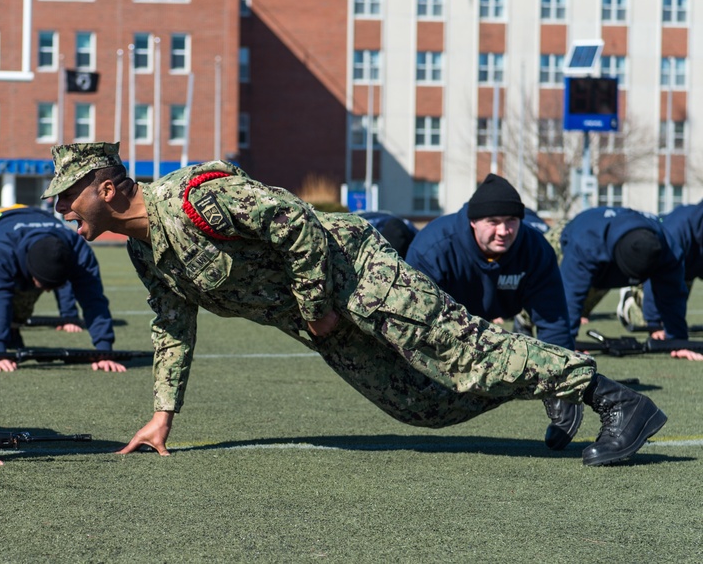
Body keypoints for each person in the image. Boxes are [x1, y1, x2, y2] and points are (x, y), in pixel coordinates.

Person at [44, 142, 667, 466]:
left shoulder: (192, 197)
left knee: (462, 354)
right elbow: (171, 326)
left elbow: (297, 222)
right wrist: (162, 415)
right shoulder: (146, 250)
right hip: (319, 320)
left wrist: (315, 304)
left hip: (353, 276)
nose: (62, 209)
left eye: (67, 196)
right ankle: (542, 379)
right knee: (421, 405)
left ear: (106, 188)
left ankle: (614, 400)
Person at [405, 174, 581, 450]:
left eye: (511, 221)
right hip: (443, 325)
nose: (504, 231)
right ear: (473, 221)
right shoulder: (432, 248)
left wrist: (564, 389)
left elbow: (554, 321)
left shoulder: (535, 249)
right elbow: (414, 323)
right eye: (493, 222)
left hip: (500, 313)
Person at [0, 204, 123, 373]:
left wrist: (104, 350)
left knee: (23, 302)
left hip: (36, 216)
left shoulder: (78, 250)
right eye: (43, 285)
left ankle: (11, 329)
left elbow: (93, 299)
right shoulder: (3, 253)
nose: (47, 292)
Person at [550, 207, 688, 343]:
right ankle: (527, 325)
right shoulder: (586, 243)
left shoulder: (668, 249)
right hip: (568, 235)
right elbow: (569, 297)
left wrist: (676, 340)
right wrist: (565, 345)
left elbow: (672, 294)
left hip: (609, 250)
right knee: (541, 284)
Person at [617, 200, 702, 340]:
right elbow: (657, 274)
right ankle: (632, 295)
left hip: (685, 266)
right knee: (643, 322)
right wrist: (654, 323)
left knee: (674, 309)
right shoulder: (677, 231)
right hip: (655, 268)